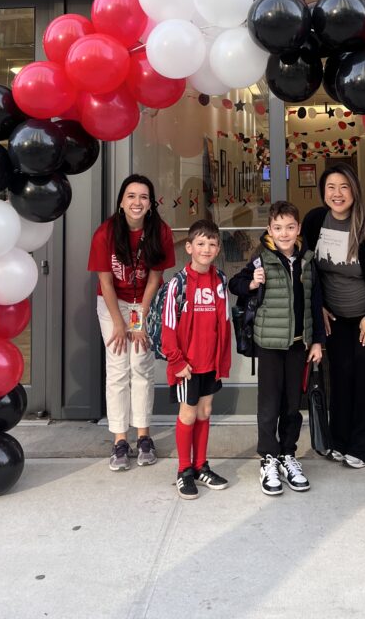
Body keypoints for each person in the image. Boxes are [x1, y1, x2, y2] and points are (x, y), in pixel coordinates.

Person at [229, 201, 325, 497]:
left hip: (299, 345)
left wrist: (318, 341)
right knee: (269, 404)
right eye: (278, 228)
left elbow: (315, 303)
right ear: (269, 229)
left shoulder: (308, 260)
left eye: (290, 227)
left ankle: (287, 454)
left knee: (292, 404)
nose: (284, 233)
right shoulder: (261, 259)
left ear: (298, 230)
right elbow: (235, 284)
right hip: (269, 345)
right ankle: (268, 458)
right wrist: (252, 284)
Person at [301, 165, 365, 467]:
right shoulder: (315, 221)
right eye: (330, 187)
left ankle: (364, 448)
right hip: (335, 317)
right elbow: (309, 268)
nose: (337, 194)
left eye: (343, 187)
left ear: (354, 190)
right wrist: (320, 306)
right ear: (323, 192)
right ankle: (339, 440)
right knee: (340, 377)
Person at [88, 174, 175, 472]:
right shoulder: (105, 233)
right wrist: (118, 323)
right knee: (117, 367)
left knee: (141, 365)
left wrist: (138, 322)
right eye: (131, 196)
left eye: (143, 197)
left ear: (150, 204)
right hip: (112, 304)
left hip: (142, 303)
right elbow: (105, 282)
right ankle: (119, 439)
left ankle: (144, 435)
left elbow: (154, 279)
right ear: (122, 202)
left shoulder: (159, 231)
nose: (137, 202)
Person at [162, 218, 231, 501]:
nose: (206, 249)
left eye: (212, 244)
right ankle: (184, 470)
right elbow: (168, 327)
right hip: (187, 367)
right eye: (200, 243)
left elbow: (224, 323)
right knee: (188, 414)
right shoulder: (177, 283)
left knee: (204, 413)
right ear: (189, 247)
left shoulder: (220, 280)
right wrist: (177, 361)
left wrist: (221, 362)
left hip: (210, 364)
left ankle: (201, 465)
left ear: (217, 249)